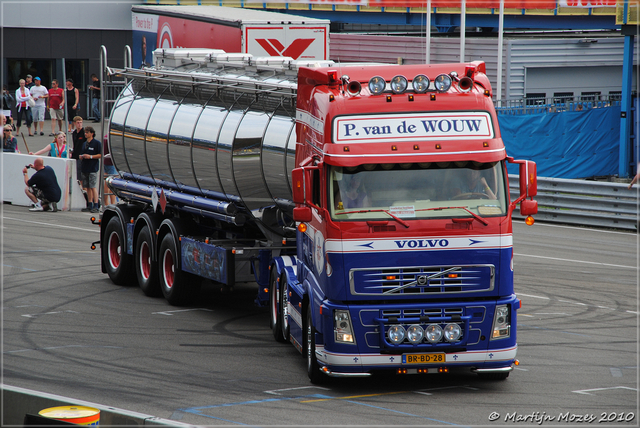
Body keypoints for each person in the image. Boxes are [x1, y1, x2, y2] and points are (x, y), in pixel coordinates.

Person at [80, 126, 101, 213]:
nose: (85, 134)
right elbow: (81, 153)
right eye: (85, 132)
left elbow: (100, 154)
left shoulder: (96, 143)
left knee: (93, 187)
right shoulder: (84, 144)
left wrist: (91, 156)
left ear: (92, 133)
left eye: (87, 132)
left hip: (92, 168)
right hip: (85, 167)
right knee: (87, 187)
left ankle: (96, 205)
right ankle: (90, 204)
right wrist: (81, 156)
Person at [70, 116, 86, 181]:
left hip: (81, 155)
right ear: (74, 123)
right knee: (74, 172)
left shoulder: (84, 132)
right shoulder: (74, 133)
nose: (79, 124)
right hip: (75, 155)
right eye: (78, 123)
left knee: (80, 174)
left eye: (81, 122)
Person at [103, 137, 117, 206]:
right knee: (112, 184)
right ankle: (113, 203)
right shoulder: (112, 137)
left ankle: (106, 203)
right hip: (112, 162)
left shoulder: (105, 137)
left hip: (106, 161)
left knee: (106, 182)